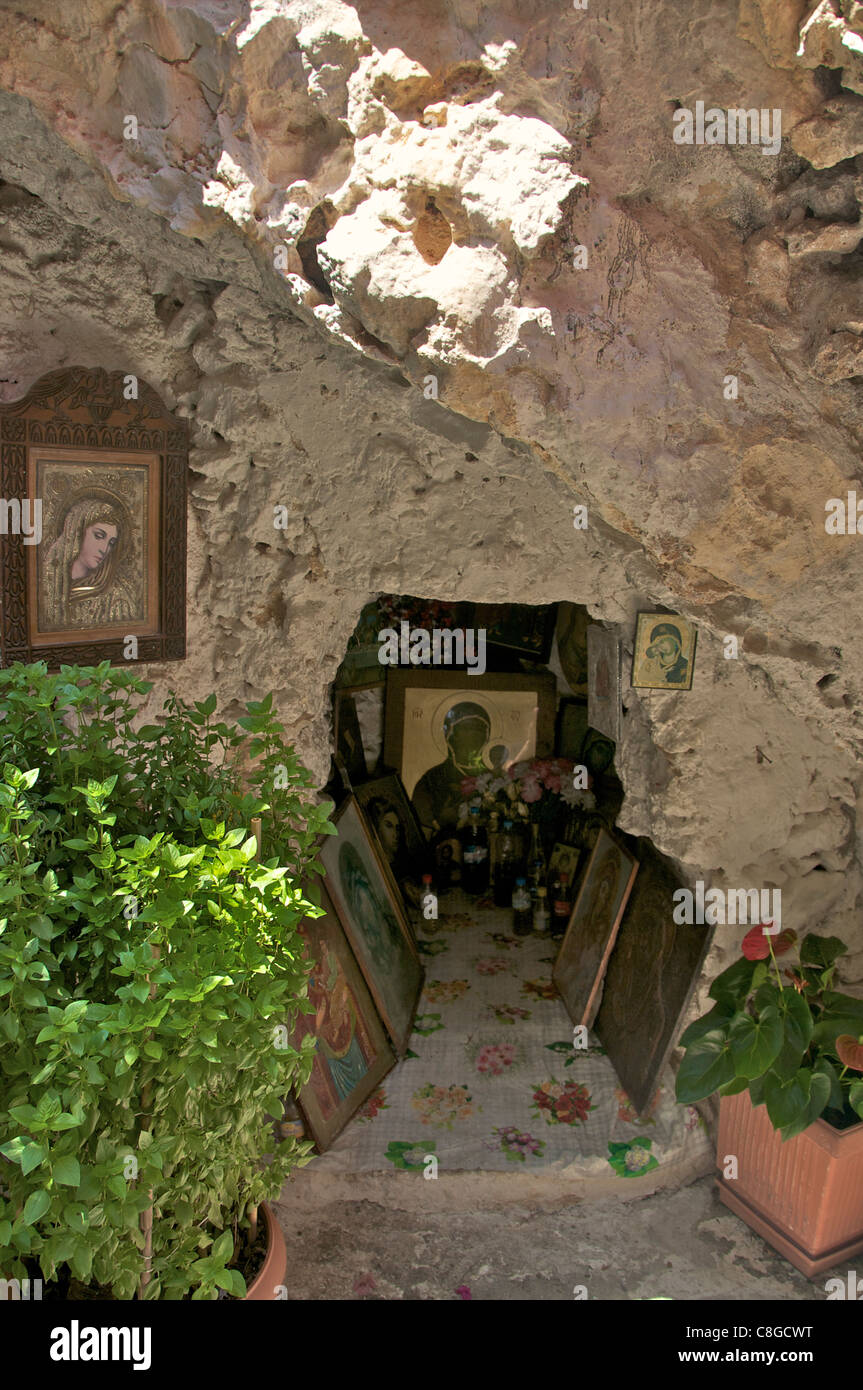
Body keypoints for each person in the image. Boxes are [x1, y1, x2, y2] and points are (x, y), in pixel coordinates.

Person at [42, 493, 138, 629]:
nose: (105, 549)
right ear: (76, 533)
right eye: (99, 536)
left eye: (111, 543)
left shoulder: (116, 597)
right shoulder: (47, 582)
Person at [412, 700, 491, 833]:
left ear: (486, 736)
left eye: (479, 728)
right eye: (466, 728)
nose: (474, 734)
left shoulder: (495, 779)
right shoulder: (432, 778)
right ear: (451, 735)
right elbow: (420, 814)